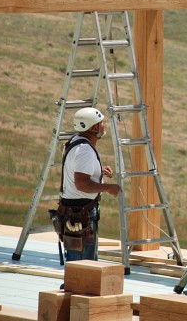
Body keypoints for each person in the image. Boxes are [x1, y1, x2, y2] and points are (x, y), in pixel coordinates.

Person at [58, 107, 122, 264]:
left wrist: (98, 170)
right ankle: (76, 288)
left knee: (82, 262)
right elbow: (82, 184)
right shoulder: (85, 150)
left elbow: (79, 171)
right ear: (94, 128)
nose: (104, 126)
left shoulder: (76, 142)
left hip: (76, 211)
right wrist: (108, 187)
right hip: (81, 213)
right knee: (83, 265)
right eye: (102, 123)